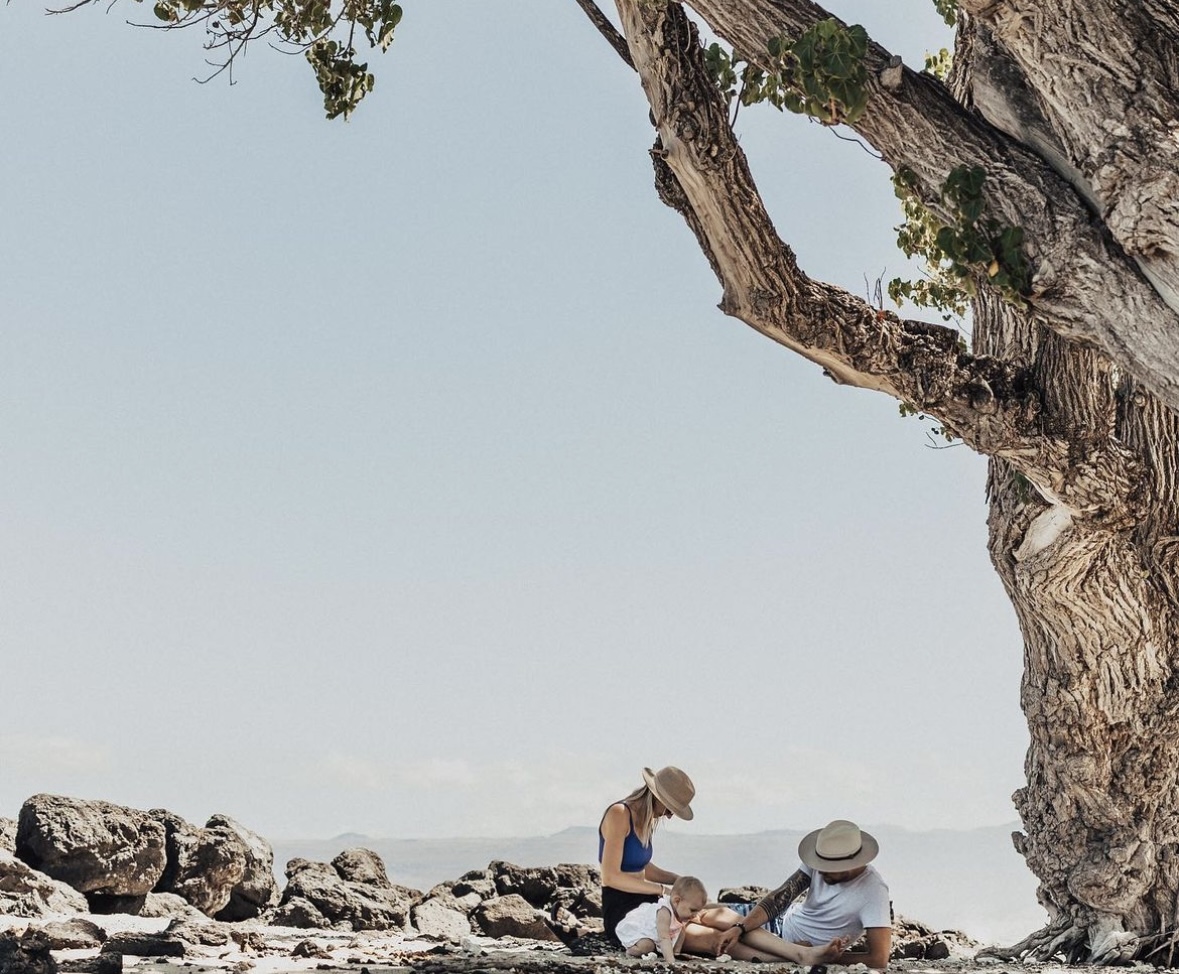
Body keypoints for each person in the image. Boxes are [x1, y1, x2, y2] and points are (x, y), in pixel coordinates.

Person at [704, 819, 893, 970]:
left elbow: (878, 958)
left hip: (784, 945)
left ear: (850, 864)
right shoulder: (822, 859)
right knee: (698, 911)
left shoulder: (874, 892)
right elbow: (781, 897)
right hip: (779, 922)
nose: (821, 870)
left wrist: (824, 956)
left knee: (695, 929)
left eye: (829, 868)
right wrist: (740, 928)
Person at [597, 766, 697, 946]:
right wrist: (662, 890)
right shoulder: (619, 814)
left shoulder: (646, 820)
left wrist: (677, 880)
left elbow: (640, 865)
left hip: (646, 900)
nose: (669, 816)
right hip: (622, 909)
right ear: (657, 797)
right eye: (669, 809)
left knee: (703, 919)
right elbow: (610, 877)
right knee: (698, 932)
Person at [615, 875, 709, 961]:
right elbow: (664, 938)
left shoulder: (679, 911)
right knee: (647, 946)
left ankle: (676, 953)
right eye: (692, 910)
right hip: (641, 930)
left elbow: (679, 931)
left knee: (682, 931)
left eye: (697, 911)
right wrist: (670, 960)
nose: (695, 914)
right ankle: (632, 950)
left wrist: (675, 953)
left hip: (656, 934)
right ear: (677, 901)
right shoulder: (664, 912)